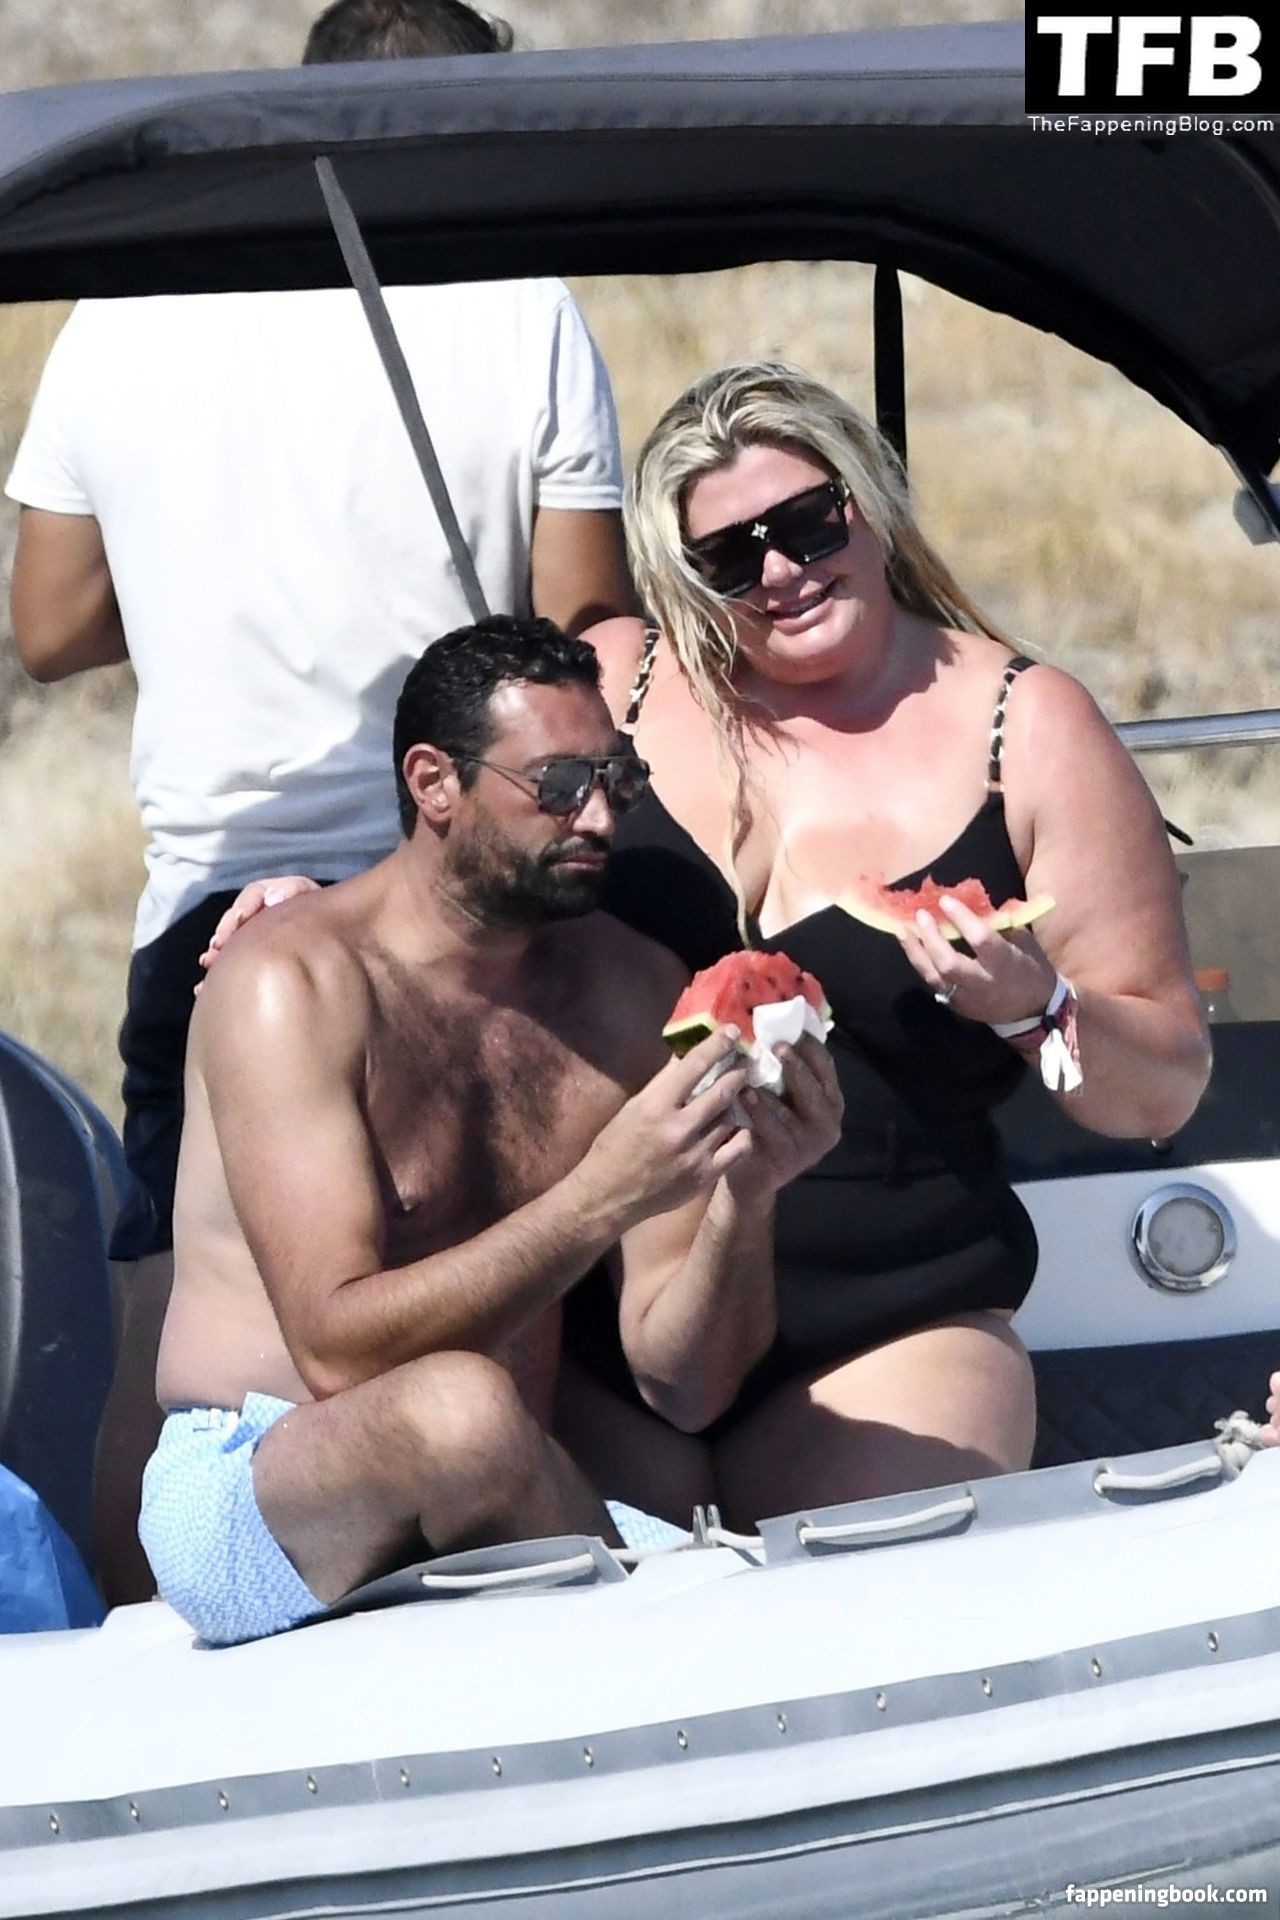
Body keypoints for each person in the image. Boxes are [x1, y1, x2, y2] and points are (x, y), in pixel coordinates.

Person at [209, 360, 1213, 1533]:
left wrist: (1036, 1010)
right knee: (578, 1615)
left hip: (884, 1316)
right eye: (729, 556)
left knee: (861, 1591)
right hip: (595, 1312)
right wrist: (327, 906)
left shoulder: (1022, 728)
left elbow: (1162, 1087)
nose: (780, 572)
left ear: (867, 500)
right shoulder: (620, 676)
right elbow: (466, 838)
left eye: (807, 523)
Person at [4, 0, 633, 1605]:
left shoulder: (122, 310)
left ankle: (145, 1656)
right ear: (473, 120)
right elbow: (583, 620)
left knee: (184, 1326)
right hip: (458, 877)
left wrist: (216, 589)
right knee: (519, 1294)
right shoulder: (518, 299)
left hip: (214, 898)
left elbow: (49, 624)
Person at [140, 616, 841, 1643]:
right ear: (433, 783)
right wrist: (601, 1196)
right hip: (259, 1485)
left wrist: (747, 1195)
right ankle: (655, 1648)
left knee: (696, 1516)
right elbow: (334, 1352)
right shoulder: (292, 984)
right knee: (459, 1412)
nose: (598, 816)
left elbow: (687, 1386)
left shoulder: (628, 991)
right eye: (558, 785)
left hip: (501, 1486)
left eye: (616, 781)